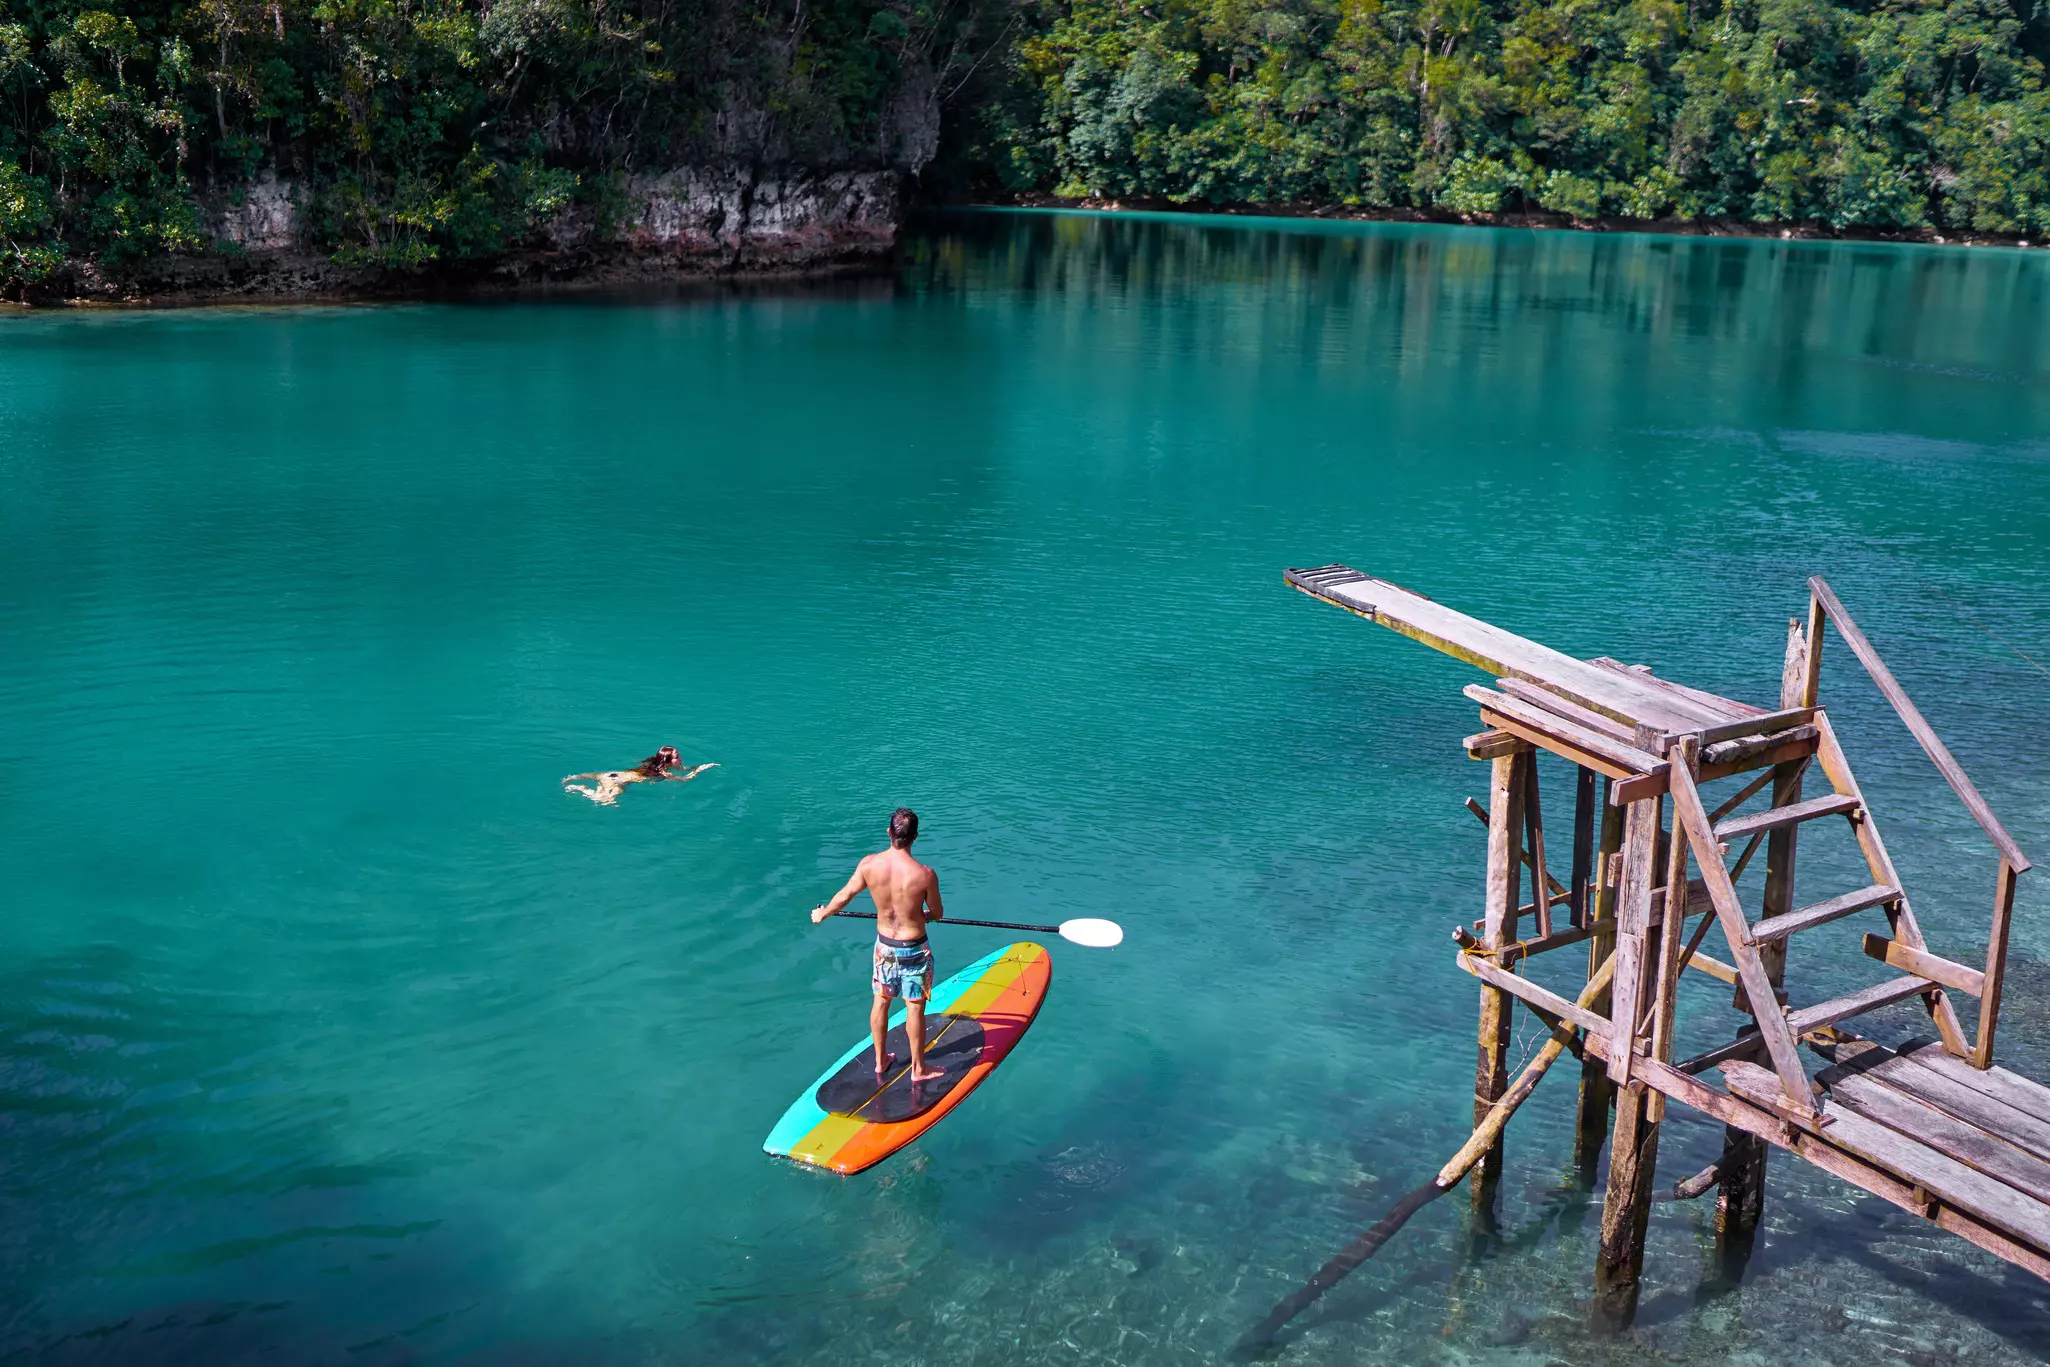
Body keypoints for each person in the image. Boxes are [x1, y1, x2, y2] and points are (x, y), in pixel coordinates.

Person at [812, 808, 947, 1082]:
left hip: (884, 948)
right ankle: (918, 1070)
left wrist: (823, 913)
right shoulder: (925, 875)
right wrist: (922, 915)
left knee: (881, 1000)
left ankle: (879, 1061)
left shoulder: (869, 865)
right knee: (914, 1007)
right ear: (915, 837)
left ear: (889, 833)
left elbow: (845, 895)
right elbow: (937, 913)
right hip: (914, 949)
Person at [562, 746, 717, 806]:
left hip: (611, 774)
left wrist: (694, 766)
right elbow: (684, 780)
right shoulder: (664, 772)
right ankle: (581, 789)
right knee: (604, 801)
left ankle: (577, 779)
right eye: (677, 756)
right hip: (616, 781)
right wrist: (699, 770)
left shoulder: (656, 764)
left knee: (602, 789)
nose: (681, 758)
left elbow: (683, 768)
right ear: (668, 761)